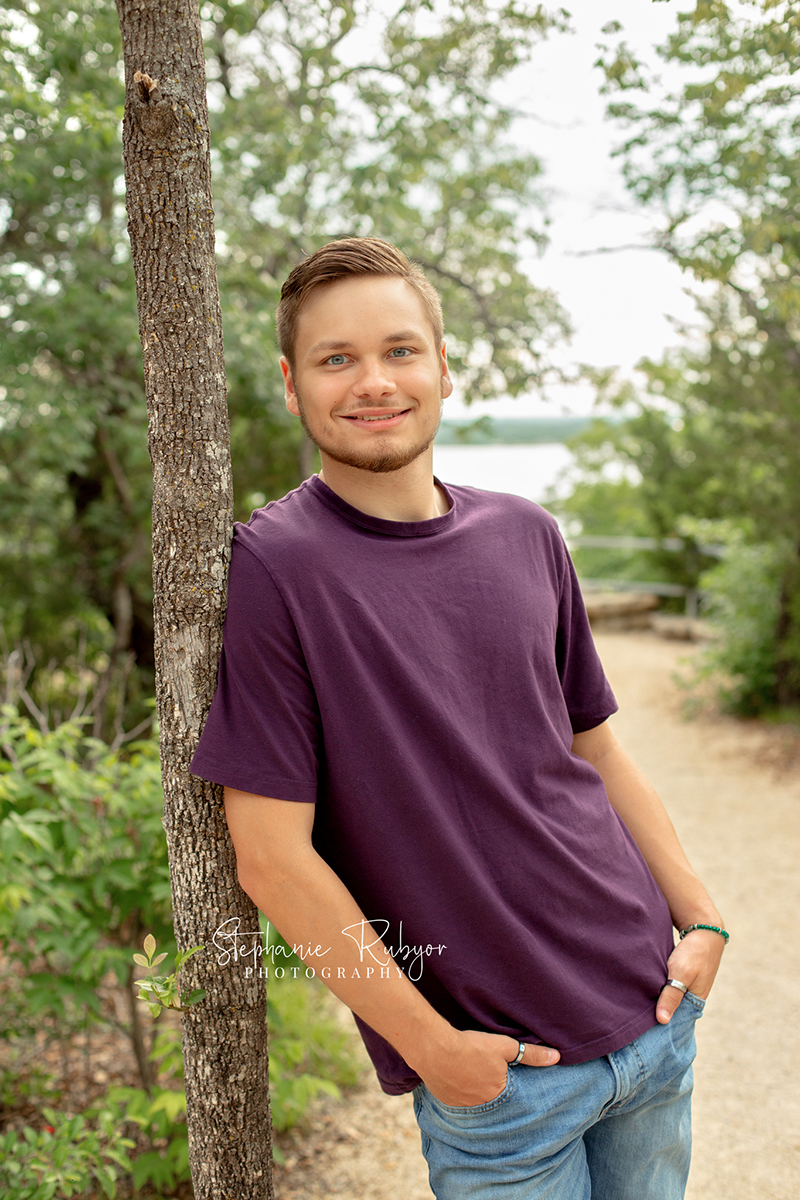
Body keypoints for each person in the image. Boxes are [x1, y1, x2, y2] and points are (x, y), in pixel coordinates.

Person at [190, 236, 727, 1199]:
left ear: (442, 365)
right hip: (505, 1081)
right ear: (290, 383)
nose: (373, 382)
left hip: (650, 1009)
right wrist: (431, 1047)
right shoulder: (278, 567)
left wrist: (701, 917)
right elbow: (271, 856)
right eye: (336, 358)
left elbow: (593, 745)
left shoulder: (527, 532)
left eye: (400, 350)